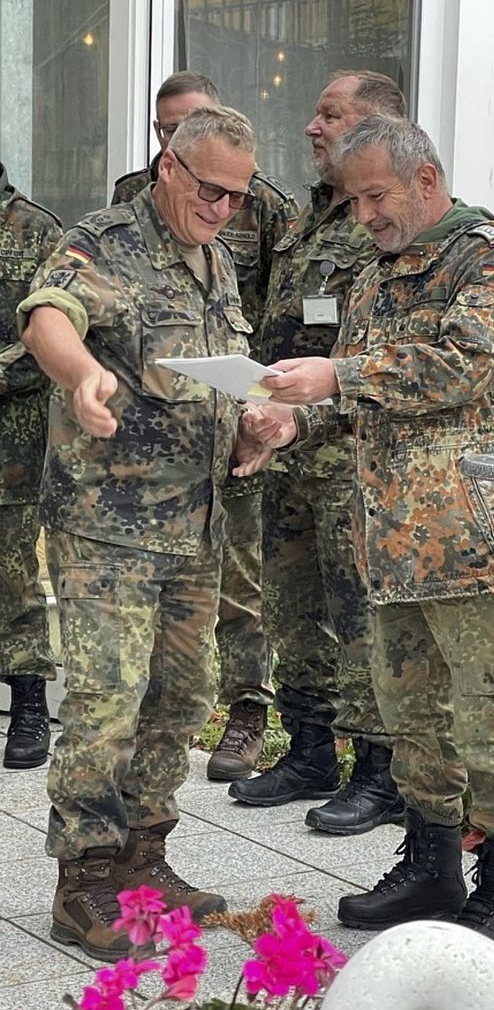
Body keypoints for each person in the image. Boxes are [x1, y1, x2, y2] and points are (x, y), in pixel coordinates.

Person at [237, 114, 494, 947]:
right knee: (412, 716)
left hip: (469, 540)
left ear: (427, 181)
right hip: (389, 542)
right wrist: (293, 425)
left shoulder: (488, 256)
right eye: (353, 197)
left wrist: (337, 372)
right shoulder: (375, 277)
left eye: (376, 195)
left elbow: (462, 364)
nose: (364, 212)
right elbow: (359, 405)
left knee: (490, 715)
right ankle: (431, 861)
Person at [17, 106, 257, 962]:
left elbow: (219, 381)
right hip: (109, 523)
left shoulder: (218, 262)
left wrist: (254, 429)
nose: (225, 208)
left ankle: (143, 857)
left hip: (195, 522)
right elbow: (48, 314)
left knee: (181, 698)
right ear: (168, 165)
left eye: (238, 195)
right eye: (210, 189)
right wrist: (82, 378)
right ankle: (81, 881)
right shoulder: (105, 239)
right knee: (106, 702)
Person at [228, 72, 408, 838]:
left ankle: (377, 771)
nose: (311, 126)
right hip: (289, 446)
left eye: (329, 114)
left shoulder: (386, 222)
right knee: (293, 605)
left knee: (357, 612)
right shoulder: (305, 218)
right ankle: (308, 748)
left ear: (377, 126)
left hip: (353, 456)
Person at [113, 71, 299, 782]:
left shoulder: (264, 208)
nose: (172, 140)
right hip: (156, 427)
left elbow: (284, 311)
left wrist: (268, 404)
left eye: (184, 124)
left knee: (241, 580)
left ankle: (249, 710)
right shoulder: (132, 199)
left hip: (241, 406)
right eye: (164, 131)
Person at [0, 163, 60, 770]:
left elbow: (47, 339)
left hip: (10, 446)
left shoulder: (35, 230)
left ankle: (28, 703)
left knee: (12, 579)